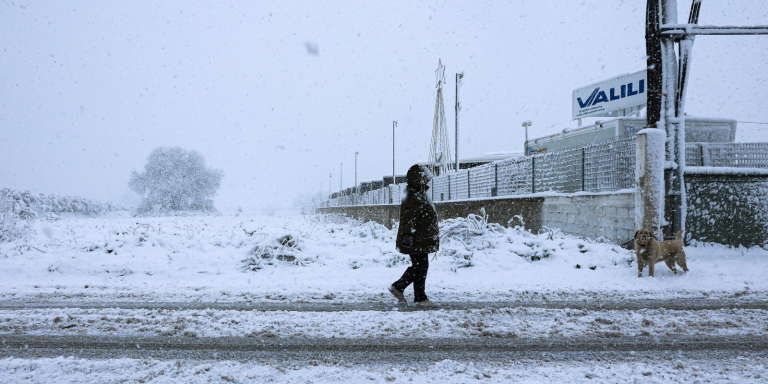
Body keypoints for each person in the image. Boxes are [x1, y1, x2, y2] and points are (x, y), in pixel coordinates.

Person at [388, 164, 439, 306]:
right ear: (419, 178)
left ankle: (417, 296)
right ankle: (403, 289)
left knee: (420, 266)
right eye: (425, 178)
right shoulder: (413, 193)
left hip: (420, 238)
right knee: (420, 266)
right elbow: (408, 217)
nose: (428, 181)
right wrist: (407, 236)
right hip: (415, 238)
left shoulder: (418, 192)